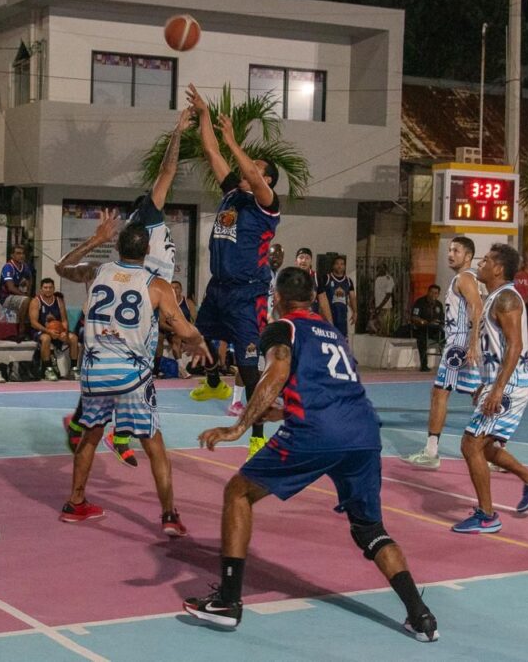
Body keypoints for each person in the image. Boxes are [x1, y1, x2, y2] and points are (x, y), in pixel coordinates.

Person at [184, 267, 438, 642]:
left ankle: (228, 600)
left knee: (237, 492)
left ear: (278, 297)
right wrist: (282, 412)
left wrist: (240, 427)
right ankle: (421, 616)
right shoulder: (332, 332)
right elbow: (333, 389)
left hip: (318, 432)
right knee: (370, 529)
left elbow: (278, 370)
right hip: (363, 432)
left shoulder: (283, 327)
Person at [54, 211, 210, 532]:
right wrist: (199, 341)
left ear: (117, 247)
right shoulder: (157, 284)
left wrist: (95, 240)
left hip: (94, 370)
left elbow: (60, 267)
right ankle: (169, 516)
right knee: (154, 444)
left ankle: (75, 502)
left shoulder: (98, 270)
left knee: (90, 436)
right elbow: (182, 328)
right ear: (148, 252)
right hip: (131, 374)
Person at [64, 107, 192, 466]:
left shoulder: (147, 229)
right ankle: (104, 431)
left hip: (145, 301)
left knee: (131, 364)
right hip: (138, 299)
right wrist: (177, 131)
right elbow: (167, 171)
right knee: (132, 366)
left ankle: (106, 431)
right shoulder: (148, 216)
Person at [185, 83, 281, 459]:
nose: (249, 169)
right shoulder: (231, 194)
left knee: (247, 365)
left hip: (247, 292)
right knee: (197, 337)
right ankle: (213, 383)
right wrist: (206, 116)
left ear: (267, 179)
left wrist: (233, 140)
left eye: (257, 168)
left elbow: (252, 176)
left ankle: (257, 435)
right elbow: (211, 152)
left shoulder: (267, 204)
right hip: (219, 287)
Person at [451, 244, 528, 534]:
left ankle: (487, 515)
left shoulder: (507, 298)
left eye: (486, 261)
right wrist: (486, 383)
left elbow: (516, 346)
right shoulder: (495, 297)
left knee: (470, 444)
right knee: (486, 446)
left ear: (498, 269)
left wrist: (497, 389)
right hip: (502, 382)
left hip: (512, 385)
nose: (480, 264)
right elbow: (496, 349)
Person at [405, 237, 484, 469]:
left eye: (456, 251)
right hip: (461, 341)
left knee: (440, 393)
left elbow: (477, 308)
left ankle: (431, 452)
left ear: (468, 256)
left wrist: (472, 343)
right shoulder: (462, 278)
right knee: (477, 394)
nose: (450, 254)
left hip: (458, 343)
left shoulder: (465, 278)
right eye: (449, 250)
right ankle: (495, 448)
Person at [29, 278, 80, 381]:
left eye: (50, 287)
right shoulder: (35, 301)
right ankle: (48, 369)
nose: (48, 289)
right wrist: (49, 331)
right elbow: (33, 323)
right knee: (46, 338)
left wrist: (64, 333)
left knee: (73, 338)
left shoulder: (59, 301)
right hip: (41, 330)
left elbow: (64, 320)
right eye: (45, 287)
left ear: (54, 288)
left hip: (57, 330)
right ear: (41, 289)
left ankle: (73, 368)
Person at [155, 280, 197, 377]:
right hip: (171, 331)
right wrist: (175, 329)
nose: (174, 290)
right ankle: (182, 369)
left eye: (176, 288)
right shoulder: (164, 303)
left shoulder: (188, 302)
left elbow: (194, 320)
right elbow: (161, 323)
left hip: (186, 330)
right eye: (172, 288)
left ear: (181, 290)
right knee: (176, 340)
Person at [0, 244, 35, 339]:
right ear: (12, 255)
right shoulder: (8, 267)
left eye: (22, 253)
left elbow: (30, 278)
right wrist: (26, 296)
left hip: (18, 296)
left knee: (34, 302)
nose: (21, 256)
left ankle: (32, 329)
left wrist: (28, 291)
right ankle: (21, 329)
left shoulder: (24, 266)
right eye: (18, 253)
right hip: (6, 297)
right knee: (27, 300)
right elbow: (10, 288)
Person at [409, 285, 444, 372]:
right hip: (421, 328)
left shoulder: (439, 304)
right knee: (422, 340)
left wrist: (439, 322)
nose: (433, 295)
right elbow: (414, 317)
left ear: (438, 294)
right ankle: (424, 365)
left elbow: (442, 319)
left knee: (446, 338)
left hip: (435, 329)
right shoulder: (420, 302)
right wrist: (424, 322)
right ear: (428, 292)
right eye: (432, 292)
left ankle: (446, 365)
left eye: (436, 293)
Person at [322, 254, 357, 337]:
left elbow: (352, 298)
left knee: (342, 340)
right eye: (337, 263)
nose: (339, 266)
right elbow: (321, 297)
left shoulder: (348, 281)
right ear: (333, 266)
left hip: (342, 316)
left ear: (344, 266)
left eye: (342, 264)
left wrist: (355, 312)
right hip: (329, 315)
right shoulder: (326, 278)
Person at [294, 247, 331, 321]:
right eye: (301, 257)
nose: (304, 260)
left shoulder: (316, 277)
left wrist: (330, 323)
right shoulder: (290, 277)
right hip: (295, 319)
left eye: (307, 258)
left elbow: (323, 303)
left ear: (311, 262)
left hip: (312, 319)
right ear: (296, 261)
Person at [371, 263, 395, 335]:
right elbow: (376, 293)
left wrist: (379, 306)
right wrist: (373, 303)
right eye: (378, 268)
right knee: (378, 327)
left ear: (385, 269)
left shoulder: (389, 279)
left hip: (385, 307)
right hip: (378, 307)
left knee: (384, 328)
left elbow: (388, 295)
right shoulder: (378, 279)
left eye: (382, 268)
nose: (380, 270)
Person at [266, 243, 285, 321]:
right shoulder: (261, 274)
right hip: (260, 318)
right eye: (273, 256)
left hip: (273, 319)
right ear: (267, 256)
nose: (276, 259)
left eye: (279, 257)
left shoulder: (279, 277)